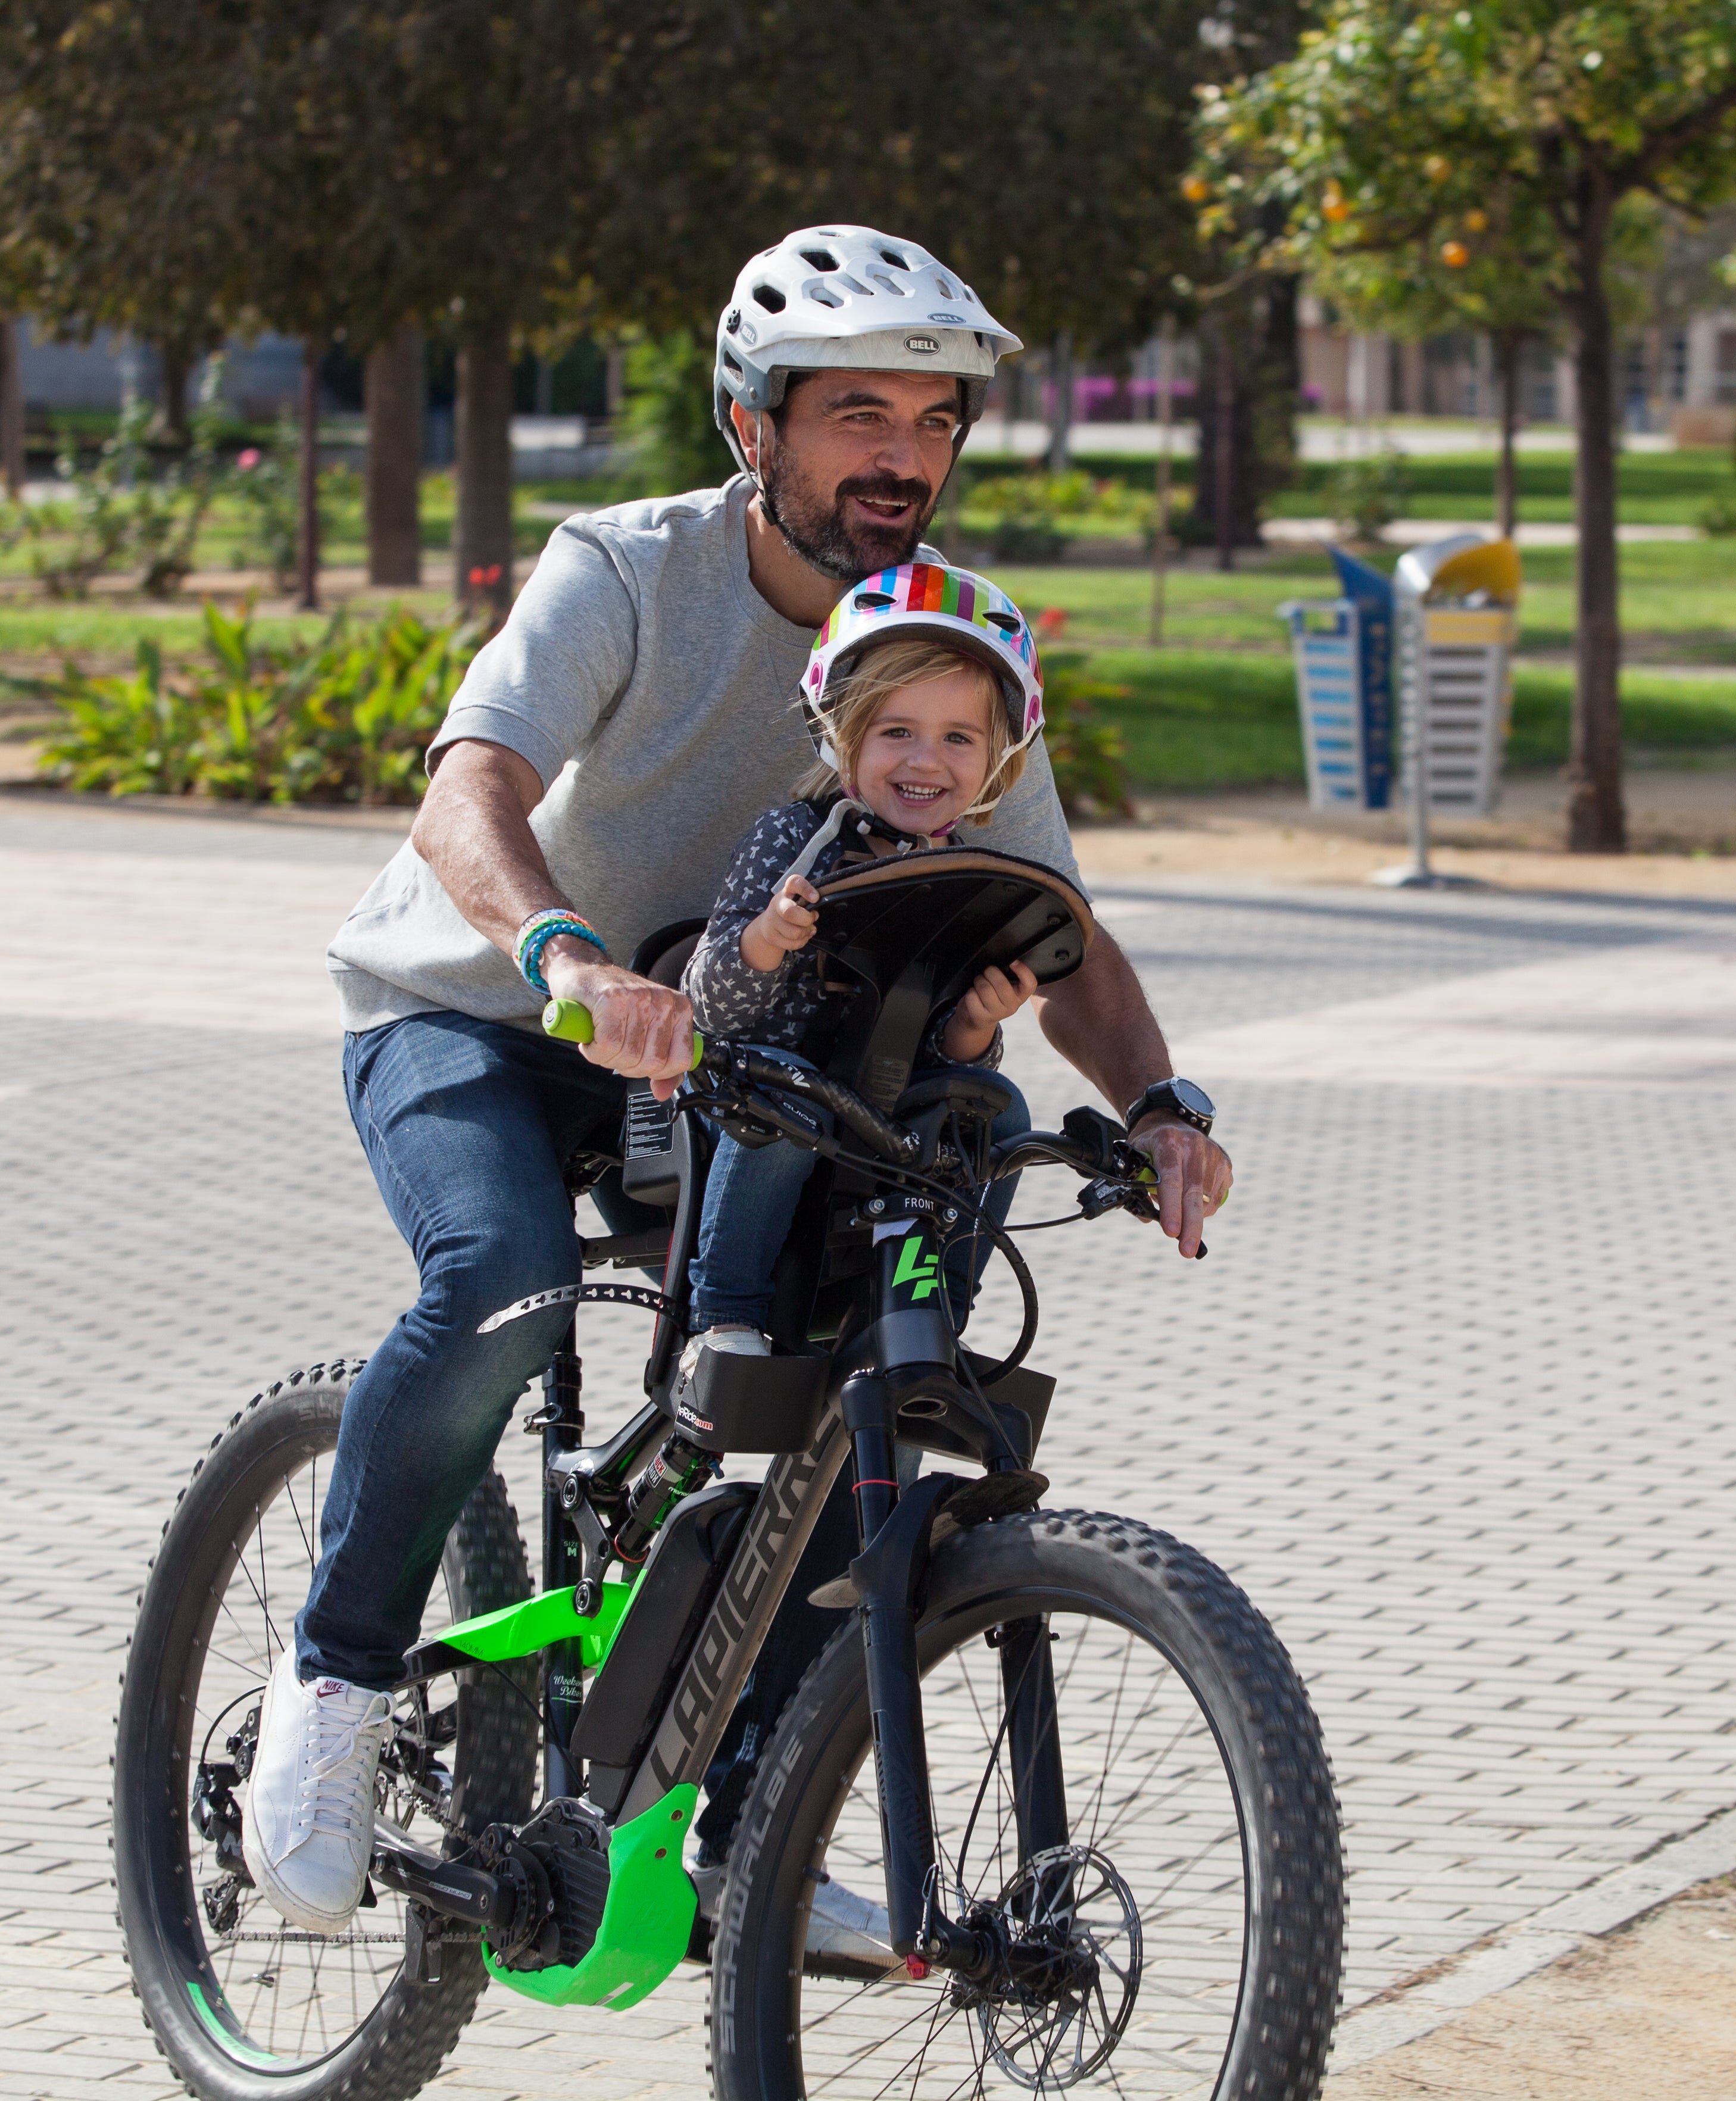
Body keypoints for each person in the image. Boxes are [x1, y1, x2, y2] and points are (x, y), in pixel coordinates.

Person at [238, 224, 1233, 1939]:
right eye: (858, 411)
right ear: (747, 422)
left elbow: (1061, 926)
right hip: (480, 1010)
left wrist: (1159, 1106)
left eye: (932, 421)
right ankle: (328, 1694)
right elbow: (465, 792)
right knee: (500, 1280)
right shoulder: (622, 570)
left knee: (832, 1376)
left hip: (724, 1062)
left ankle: (740, 1808)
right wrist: (565, 959)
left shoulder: (933, 650)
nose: (903, 455)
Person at [680, 563, 1049, 1366]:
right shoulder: (793, 840)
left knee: (996, 1108)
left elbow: (937, 1057)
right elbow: (705, 1000)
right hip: (755, 1100)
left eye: (958, 738)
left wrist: (974, 1025)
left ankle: (938, 1312)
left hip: (872, 1118)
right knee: (790, 1100)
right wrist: (767, 938)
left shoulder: (961, 878)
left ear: (996, 759)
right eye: (896, 731)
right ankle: (726, 1316)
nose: (926, 760)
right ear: (842, 734)